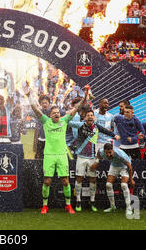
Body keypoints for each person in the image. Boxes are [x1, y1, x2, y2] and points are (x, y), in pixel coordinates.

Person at [24, 83, 89, 214]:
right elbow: (36, 110)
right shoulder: (46, 121)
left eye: (58, 112)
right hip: (49, 155)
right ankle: (45, 205)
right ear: (51, 115)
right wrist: (29, 96)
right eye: (54, 113)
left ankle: (68, 205)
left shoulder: (64, 120)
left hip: (61, 155)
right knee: (47, 181)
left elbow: (76, 108)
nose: (57, 114)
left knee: (65, 181)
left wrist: (85, 96)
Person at [69, 110, 120, 212]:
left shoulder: (96, 126)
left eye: (92, 115)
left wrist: (114, 135)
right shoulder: (80, 125)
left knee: (93, 179)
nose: (90, 117)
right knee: (79, 179)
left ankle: (92, 201)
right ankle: (78, 201)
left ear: (94, 117)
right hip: (81, 157)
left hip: (92, 157)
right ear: (84, 118)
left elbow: (106, 131)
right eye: (88, 115)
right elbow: (68, 122)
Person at [91, 143, 135, 215]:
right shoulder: (101, 151)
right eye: (106, 153)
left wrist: (131, 179)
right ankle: (112, 206)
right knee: (108, 185)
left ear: (113, 150)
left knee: (124, 185)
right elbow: (98, 152)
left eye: (110, 152)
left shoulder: (120, 154)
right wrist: (97, 161)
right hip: (114, 165)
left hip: (124, 166)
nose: (108, 155)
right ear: (104, 151)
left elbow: (129, 166)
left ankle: (129, 207)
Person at [33, 94, 50, 159]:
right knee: (38, 158)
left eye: (46, 103)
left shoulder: (52, 112)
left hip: (49, 140)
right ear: (40, 104)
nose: (44, 104)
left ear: (49, 103)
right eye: (42, 103)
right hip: (40, 139)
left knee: (48, 158)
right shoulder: (38, 112)